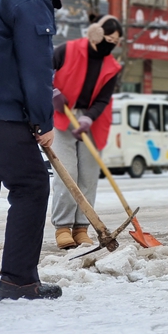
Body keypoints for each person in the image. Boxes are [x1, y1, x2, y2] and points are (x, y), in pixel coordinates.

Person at [0, 0, 72, 300]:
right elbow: (36, 68)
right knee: (31, 186)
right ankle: (19, 280)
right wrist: (43, 121)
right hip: (0, 111)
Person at [51, 14, 123, 248]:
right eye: (108, 39)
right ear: (96, 34)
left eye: (116, 42)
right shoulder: (67, 50)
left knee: (89, 176)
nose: (110, 45)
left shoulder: (112, 66)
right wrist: (52, 93)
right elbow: (43, 72)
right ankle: (62, 227)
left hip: (93, 120)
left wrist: (88, 119)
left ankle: (82, 227)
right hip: (62, 114)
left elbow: (102, 100)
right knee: (67, 172)